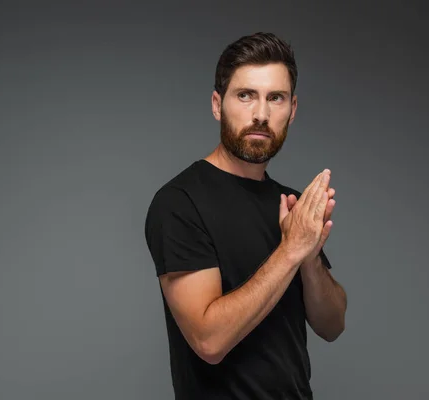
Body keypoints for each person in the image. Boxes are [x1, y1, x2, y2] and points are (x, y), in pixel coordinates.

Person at [144, 32, 347, 400]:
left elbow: (332, 325)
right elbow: (209, 340)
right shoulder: (179, 203)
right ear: (217, 105)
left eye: (276, 98)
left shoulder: (292, 207)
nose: (261, 114)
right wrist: (291, 249)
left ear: (293, 109)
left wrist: (309, 258)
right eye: (245, 95)